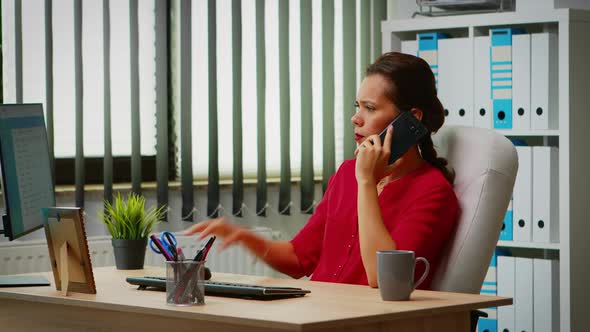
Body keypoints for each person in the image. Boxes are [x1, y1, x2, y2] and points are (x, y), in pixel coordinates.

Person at [183, 52, 459, 289]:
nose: (356, 117)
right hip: (318, 314)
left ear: (412, 118)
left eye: (370, 108)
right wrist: (243, 235)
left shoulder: (432, 191)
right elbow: (298, 259)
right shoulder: (347, 174)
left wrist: (366, 183)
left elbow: (383, 278)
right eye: (357, 106)